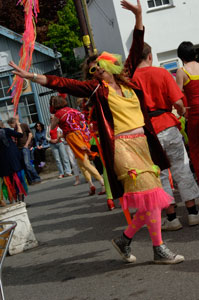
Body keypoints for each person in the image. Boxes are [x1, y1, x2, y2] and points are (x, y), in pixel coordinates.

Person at [9, 0, 184, 264]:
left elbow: (137, 48)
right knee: (150, 193)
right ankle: (159, 248)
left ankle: (125, 239)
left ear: (111, 64)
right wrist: (32, 77)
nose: (97, 70)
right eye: (92, 69)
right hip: (123, 148)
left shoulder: (128, 80)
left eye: (100, 65)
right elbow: (63, 83)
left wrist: (138, 16)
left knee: (152, 199)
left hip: (143, 144)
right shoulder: (95, 89)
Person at [129, 34, 199, 231]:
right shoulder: (161, 73)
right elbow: (178, 101)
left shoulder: (132, 80)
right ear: (150, 56)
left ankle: (172, 218)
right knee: (182, 168)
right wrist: (182, 111)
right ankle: (193, 213)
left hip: (149, 131)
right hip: (168, 125)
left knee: (159, 174)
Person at [49, 96, 105, 195]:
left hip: (73, 138)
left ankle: (102, 183)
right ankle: (91, 184)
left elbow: (52, 127)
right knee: (81, 163)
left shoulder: (58, 113)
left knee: (84, 162)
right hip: (83, 134)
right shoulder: (73, 110)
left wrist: (54, 119)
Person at [176, 42, 199, 184]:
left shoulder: (182, 71)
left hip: (195, 114)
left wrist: (183, 111)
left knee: (196, 150)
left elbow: (177, 95)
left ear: (181, 57)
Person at [0, 119, 28, 206]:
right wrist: (18, 124)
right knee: (18, 179)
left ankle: (14, 199)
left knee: (8, 180)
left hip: (2, 161)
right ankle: (20, 200)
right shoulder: (6, 131)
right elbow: (20, 134)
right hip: (13, 159)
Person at [7, 117, 41, 185]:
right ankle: (30, 180)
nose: (11, 126)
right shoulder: (15, 129)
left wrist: (27, 144)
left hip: (25, 147)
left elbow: (30, 135)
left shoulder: (23, 125)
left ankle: (37, 177)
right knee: (24, 166)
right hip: (19, 149)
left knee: (27, 164)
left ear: (13, 123)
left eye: (11, 125)